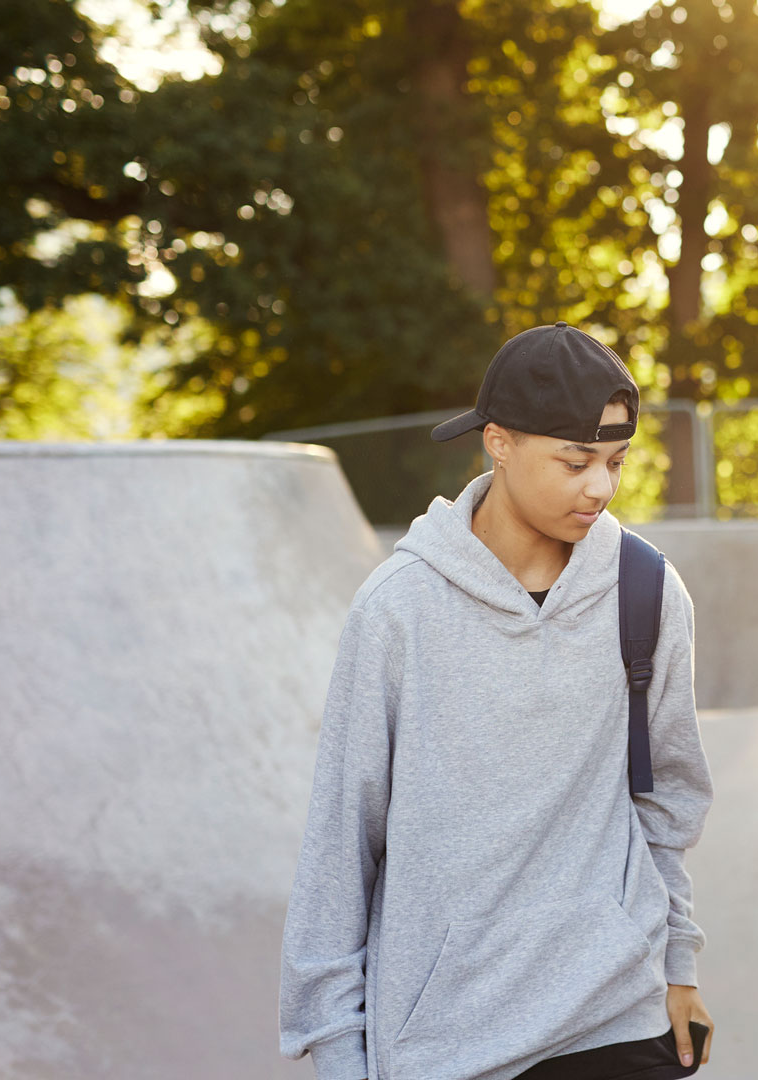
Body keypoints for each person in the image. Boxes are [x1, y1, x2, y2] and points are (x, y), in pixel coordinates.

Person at [279, 323, 715, 1080]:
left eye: (615, 462)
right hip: (448, 1041)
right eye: (575, 462)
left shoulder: (644, 592)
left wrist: (677, 964)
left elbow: (664, 802)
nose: (600, 487)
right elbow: (340, 844)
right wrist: (336, 1053)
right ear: (499, 442)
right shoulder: (399, 610)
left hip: (614, 1017)